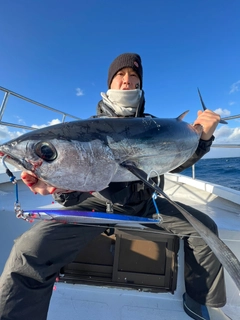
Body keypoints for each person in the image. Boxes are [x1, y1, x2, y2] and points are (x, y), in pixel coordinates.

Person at [0, 53, 231, 320]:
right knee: (27, 251)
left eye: (133, 76)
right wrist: (59, 187)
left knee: (206, 230)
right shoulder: (87, 129)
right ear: (110, 83)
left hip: (144, 203)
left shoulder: (155, 126)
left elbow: (172, 163)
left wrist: (202, 139)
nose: (127, 80)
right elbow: (79, 179)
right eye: (120, 75)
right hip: (97, 204)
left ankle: (199, 299)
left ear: (139, 85)